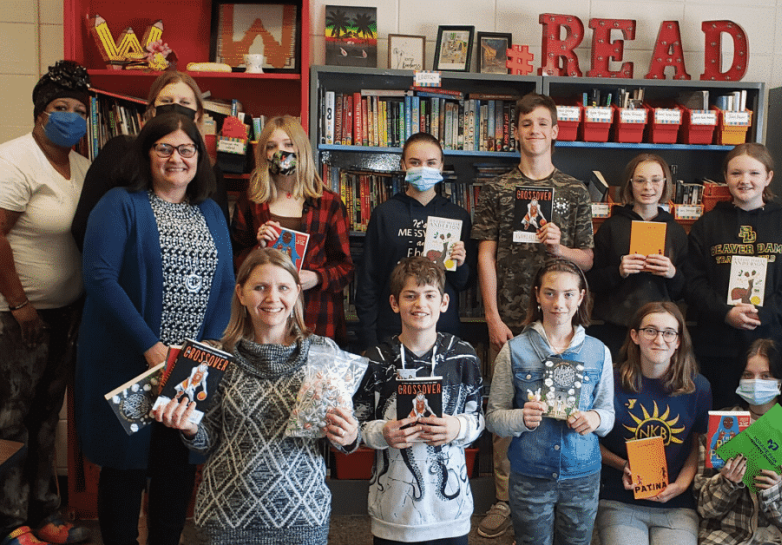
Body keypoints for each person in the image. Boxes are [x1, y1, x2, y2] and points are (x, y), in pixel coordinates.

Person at [75, 113, 234, 545]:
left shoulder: (211, 213)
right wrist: (150, 345)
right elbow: (100, 278)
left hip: (187, 369)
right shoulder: (120, 204)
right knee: (125, 472)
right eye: (164, 148)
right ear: (147, 154)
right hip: (130, 360)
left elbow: (225, 284)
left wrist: (208, 347)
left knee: (175, 471)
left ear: (199, 158)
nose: (176, 158)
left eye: (186, 149)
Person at [153, 247, 360, 544]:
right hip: (225, 519)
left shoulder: (324, 353)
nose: (272, 298)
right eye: (260, 287)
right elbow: (207, 441)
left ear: (297, 292)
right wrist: (189, 427)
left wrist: (349, 435)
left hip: (303, 518)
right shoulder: (214, 357)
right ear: (240, 293)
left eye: (283, 287)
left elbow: (346, 438)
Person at [471, 92, 594, 537]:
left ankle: (559, 493)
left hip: (561, 319)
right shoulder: (498, 190)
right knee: (509, 411)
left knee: (564, 405)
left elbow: (589, 259)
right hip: (509, 319)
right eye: (526, 124)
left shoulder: (575, 191)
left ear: (555, 131)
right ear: (517, 131)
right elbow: (485, 254)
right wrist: (491, 316)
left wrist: (559, 248)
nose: (535, 131)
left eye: (543, 123)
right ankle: (507, 499)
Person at [0, 60, 92, 545]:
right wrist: (19, 305)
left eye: (80, 109)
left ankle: (45, 514)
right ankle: (9, 523)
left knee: (46, 416)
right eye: (61, 108)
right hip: (18, 318)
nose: (72, 117)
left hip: (65, 316)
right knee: (10, 420)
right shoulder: (13, 160)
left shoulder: (81, 166)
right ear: (40, 113)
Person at [353, 256, 484, 544]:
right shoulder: (375, 360)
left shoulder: (463, 355)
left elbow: (478, 418)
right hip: (393, 513)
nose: (420, 304)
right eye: (410, 296)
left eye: (429, 296)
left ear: (444, 303)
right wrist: (381, 433)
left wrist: (457, 428)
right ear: (394, 303)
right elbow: (357, 426)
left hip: (451, 514)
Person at [486, 257, 614, 545]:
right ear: (537, 295)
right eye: (550, 293)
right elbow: (494, 417)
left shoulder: (598, 352)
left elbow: (607, 415)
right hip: (530, 475)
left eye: (568, 294)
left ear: (581, 297)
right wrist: (520, 418)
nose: (559, 303)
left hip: (582, 476)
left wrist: (594, 419)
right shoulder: (514, 350)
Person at [684, 143, 782, 409]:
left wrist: (763, 313)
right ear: (726, 177)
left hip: (774, 348)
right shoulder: (707, 225)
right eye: (736, 173)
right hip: (719, 348)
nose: (745, 180)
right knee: (721, 428)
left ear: (768, 177)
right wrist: (725, 312)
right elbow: (693, 283)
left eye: (754, 173)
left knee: (770, 435)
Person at [694, 339, 782, 544]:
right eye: (748, 375)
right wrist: (726, 483)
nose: (756, 382)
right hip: (727, 536)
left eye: (765, 376)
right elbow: (705, 509)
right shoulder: (720, 428)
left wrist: (775, 494)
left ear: (780, 381)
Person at [231, 115, 355, 344]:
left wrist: (316, 277)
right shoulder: (251, 201)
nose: (281, 152)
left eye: (289, 145)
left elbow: (346, 268)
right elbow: (235, 262)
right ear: (263, 154)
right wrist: (258, 250)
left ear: (302, 150)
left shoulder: (329, 202)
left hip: (317, 315)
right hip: (266, 316)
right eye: (272, 146)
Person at [71, 69, 229, 248]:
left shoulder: (210, 168)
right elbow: (85, 225)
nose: (175, 108)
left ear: (198, 114)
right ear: (152, 109)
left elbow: (221, 238)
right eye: (167, 101)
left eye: (184, 102)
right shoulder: (119, 151)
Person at [596, 302, 710, 545]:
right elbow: (590, 443)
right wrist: (623, 465)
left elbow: (695, 448)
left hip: (676, 505)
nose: (660, 339)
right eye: (651, 331)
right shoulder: (609, 381)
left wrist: (680, 486)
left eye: (669, 332)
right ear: (635, 336)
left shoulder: (698, 387)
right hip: (620, 500)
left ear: (678, 341)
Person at [355, 132, 473, 352]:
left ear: (441, 166)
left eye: (431, 163)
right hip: (392, 327)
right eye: (415, 162)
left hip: (443, 327)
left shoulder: (458, 216)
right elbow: (368, 280)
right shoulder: (385, 214)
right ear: (403, 165)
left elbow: (463, 283)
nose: (423, 168)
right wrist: (369, 339)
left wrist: (461, 263)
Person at [587, 154, 687, 355]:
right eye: (640, 180)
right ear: (630, 184)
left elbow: (684, 290)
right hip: (616, 328)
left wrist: (672, 273)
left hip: (658, 330)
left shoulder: (676, 232)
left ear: (665, 183)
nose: (648, 187)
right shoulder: (612, 228)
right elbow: (592, 281)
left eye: (655, 180)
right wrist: (619, 271)